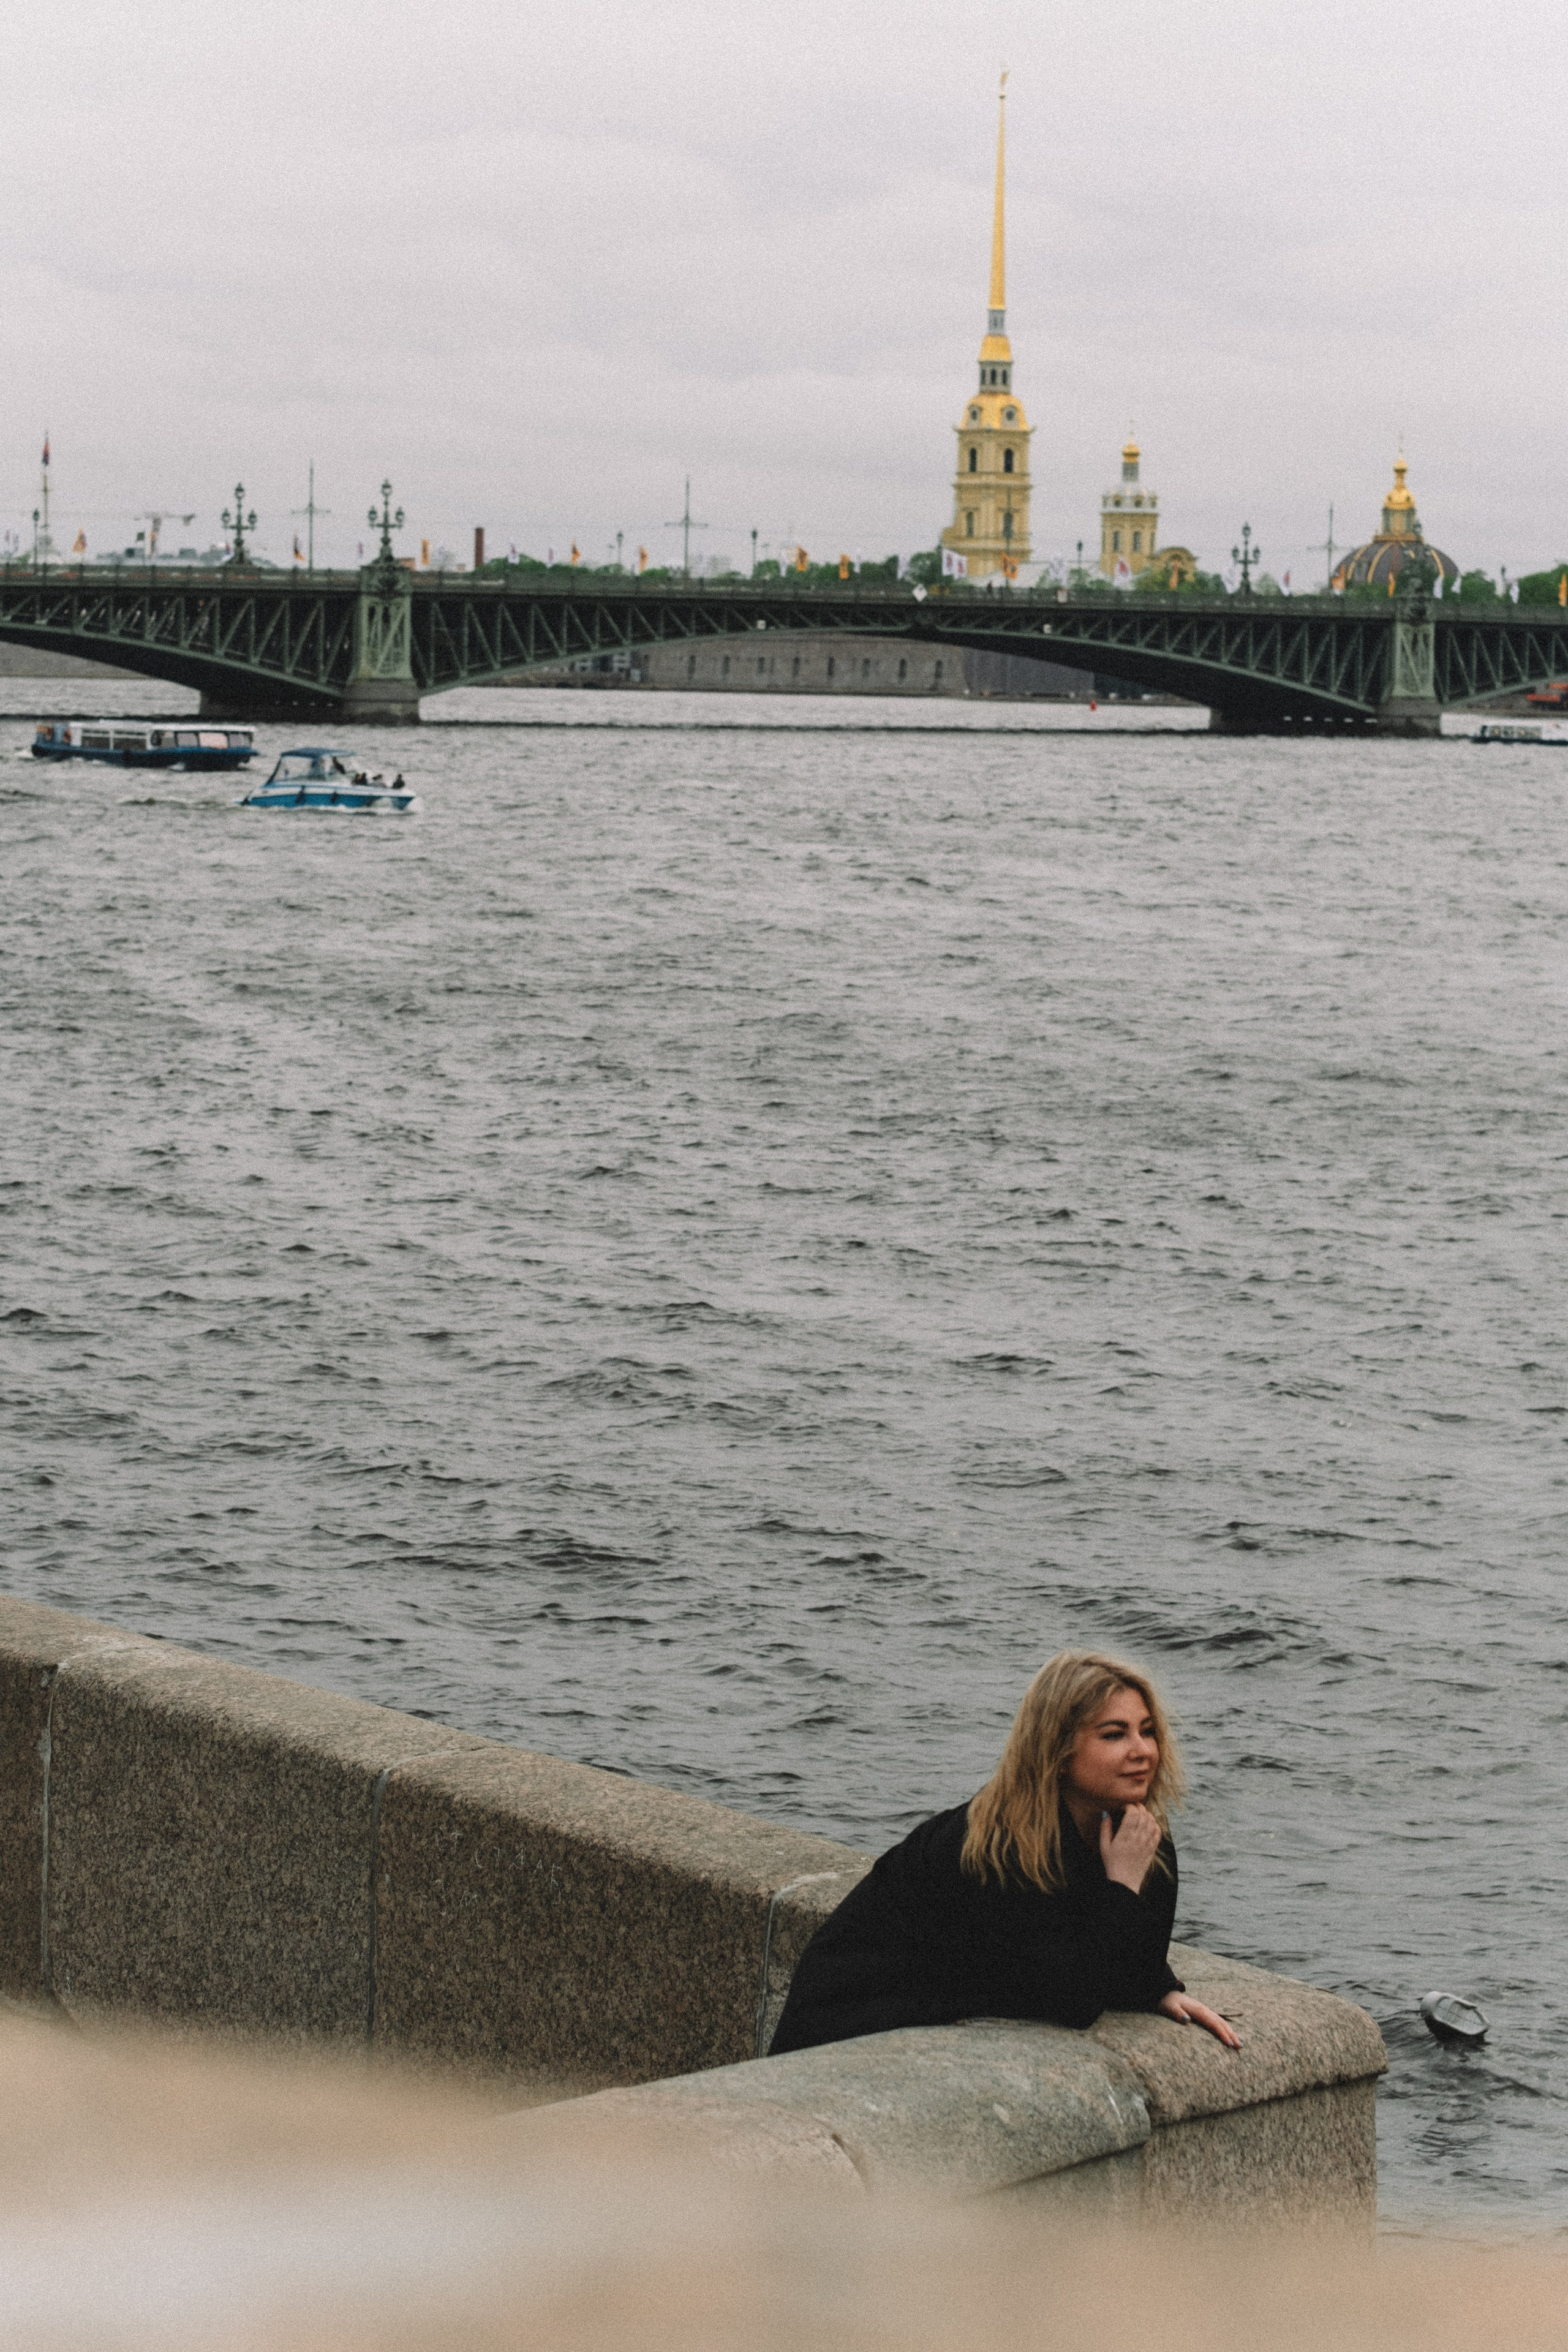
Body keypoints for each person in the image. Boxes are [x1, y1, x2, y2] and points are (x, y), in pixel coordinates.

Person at [769, 1650, 1239, 2055]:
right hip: (853, 2023)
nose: (1143, 1751)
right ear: (1057, 1750)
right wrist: (1120, 1887)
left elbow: (1121, 1961)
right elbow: (1072, 2000)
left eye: (1148, 1731)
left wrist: (1156, 1988)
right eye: (1114, 1734)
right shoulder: (999, 1848)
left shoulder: (1136, 1837)